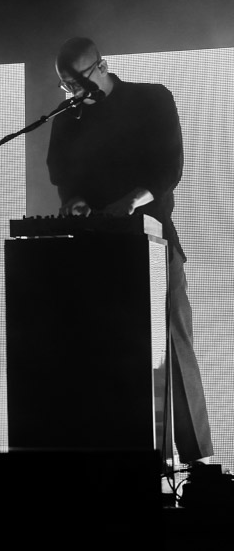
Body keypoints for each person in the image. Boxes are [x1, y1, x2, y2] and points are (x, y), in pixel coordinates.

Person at [46, 37, 213, 466]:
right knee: (101, 353)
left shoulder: (151, 99)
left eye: (80, 81)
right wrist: (75, 199)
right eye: (67, 86)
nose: (74, 92)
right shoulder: (68, 117)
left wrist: (130, 202)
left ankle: (199, 463)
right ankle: (118, 459)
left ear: (102, 66)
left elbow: (168, 168)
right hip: (93, 246)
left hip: (153, 239)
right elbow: (62, 174)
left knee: (174, 348)